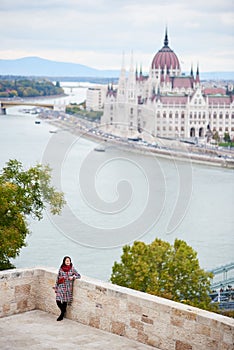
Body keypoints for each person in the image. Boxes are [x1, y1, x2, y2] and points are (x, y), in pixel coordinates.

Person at [54, 256, 81, 321]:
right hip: (61, 286)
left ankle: (62, 315)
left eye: (69, 261)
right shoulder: (61, 268)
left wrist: (73, 277)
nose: (68, 262)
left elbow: (79, 276)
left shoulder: (72, 269)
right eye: (67, 261)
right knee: (58, 300)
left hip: (68, 287)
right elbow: (58, 277)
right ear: (64, 261)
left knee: (64, 301)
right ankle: (63, 311)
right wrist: (56, 286)